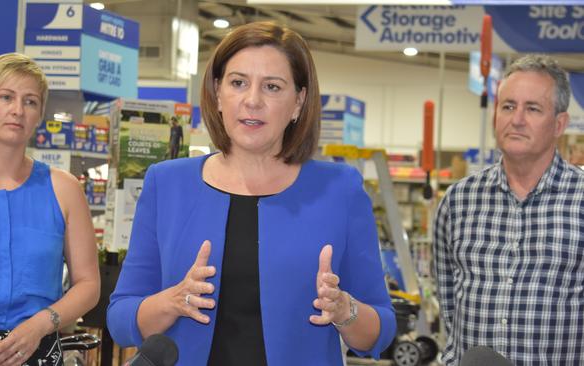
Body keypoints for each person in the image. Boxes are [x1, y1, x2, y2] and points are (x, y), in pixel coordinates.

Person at [107, 21, 396, 366]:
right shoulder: (166, 184)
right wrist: (171, 301)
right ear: (217, 93)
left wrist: (344, 309)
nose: (252, 100)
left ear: (298, 103)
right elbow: (120, 319)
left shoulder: (339, 190)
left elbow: (380, 332)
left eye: (272, 87)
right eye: (238, 82)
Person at [0, 53, 100, 366]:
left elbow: (89, 284)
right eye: (6, 97)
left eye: (30, 101)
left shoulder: (64, 189)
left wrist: (41, 324)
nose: (17, 110)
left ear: (39, 114)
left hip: (37, 348)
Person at [433, 54, 583, 365]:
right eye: (508, 106)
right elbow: (447, 298)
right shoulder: (459, 201)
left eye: (533, 109)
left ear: (559, 124)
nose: (516, 119)